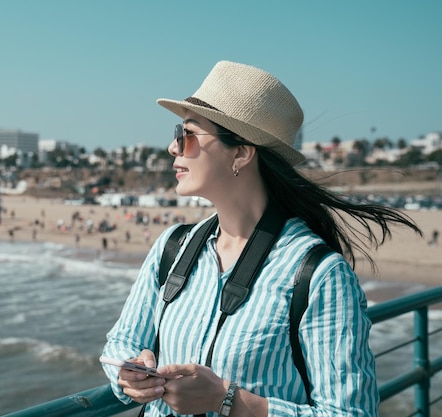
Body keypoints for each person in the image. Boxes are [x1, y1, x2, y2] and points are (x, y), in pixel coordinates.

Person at [101, 61, 422, 417]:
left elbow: (352, 413)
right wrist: (130, 373)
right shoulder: (173, 246)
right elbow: (122, 342)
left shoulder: (318, 274)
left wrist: (227, 401)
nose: (172, 148)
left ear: (241, 152)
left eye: (187, 134)